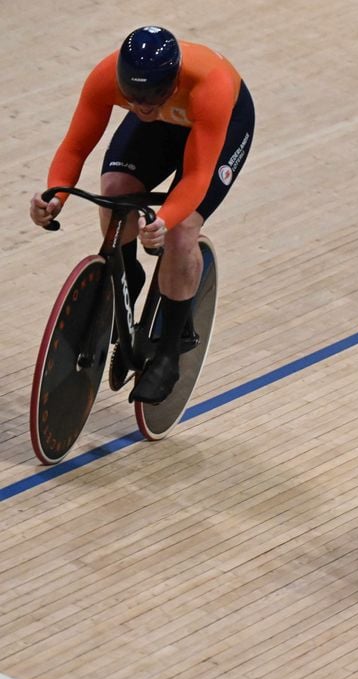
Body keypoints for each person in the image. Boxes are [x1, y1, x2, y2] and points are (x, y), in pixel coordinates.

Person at [29, 25, 254, 404]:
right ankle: (127, 273)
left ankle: (168, 352)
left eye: (153, 97)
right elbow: (74, 147)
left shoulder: (209, 85)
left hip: (221, 123)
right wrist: (55, 196)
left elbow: (197, 176)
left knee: (182, 230)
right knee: (116, 190)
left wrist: (166, 219)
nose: (143, 107)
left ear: (174, 79)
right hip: (168, 124)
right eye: (134, 99)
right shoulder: (108, 79)